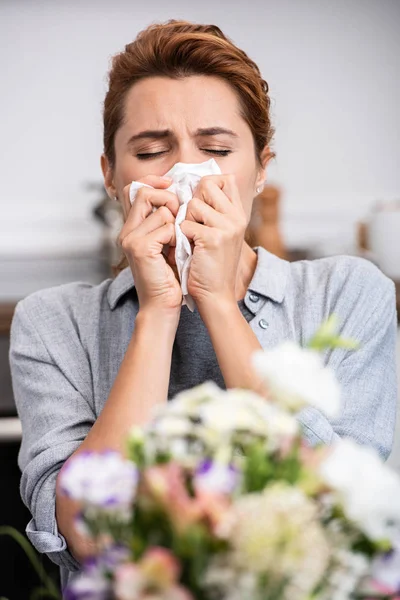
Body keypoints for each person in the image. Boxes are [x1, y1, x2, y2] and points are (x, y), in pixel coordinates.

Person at [9, 19, 397, 590]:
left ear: (261, 169)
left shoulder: (347, 294)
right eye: (149, 152)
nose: (185, 173)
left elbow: (337, 515)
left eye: (216, 149)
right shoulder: (51, 324)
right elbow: (92, 537)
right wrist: (159, 310)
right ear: (112, 177)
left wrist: (215, 300)